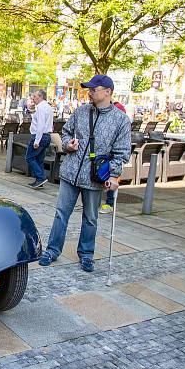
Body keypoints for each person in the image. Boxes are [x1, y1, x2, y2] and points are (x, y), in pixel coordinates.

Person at [39, 75, 131, 272]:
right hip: (71, 172)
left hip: (95, 176)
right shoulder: (81, 111)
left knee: (90, 217)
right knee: (61, 214)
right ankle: (52, 250)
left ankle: (86, 254)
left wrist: (113, 175)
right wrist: (67, 144)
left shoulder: (120, 120)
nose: (89, 92)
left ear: (107, 92)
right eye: (88, 89)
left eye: (93, 89)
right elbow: (65, 131)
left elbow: (122, 152)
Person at [99, 100, 129, 214]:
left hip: (113, 154)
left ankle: (109, 203)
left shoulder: (118, 111)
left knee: (111, 177)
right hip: (107, 154)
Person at [26, 90, 53, 189]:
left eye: (35, 96)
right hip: (46, 135)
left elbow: (41, 125)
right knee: (39, 159)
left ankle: (40, 177)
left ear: (41, 97)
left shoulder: (41, 108)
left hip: (40, 135)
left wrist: (37, 141)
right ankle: (39, 180)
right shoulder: (48, 107)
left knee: (29, 157)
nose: (33, 98)